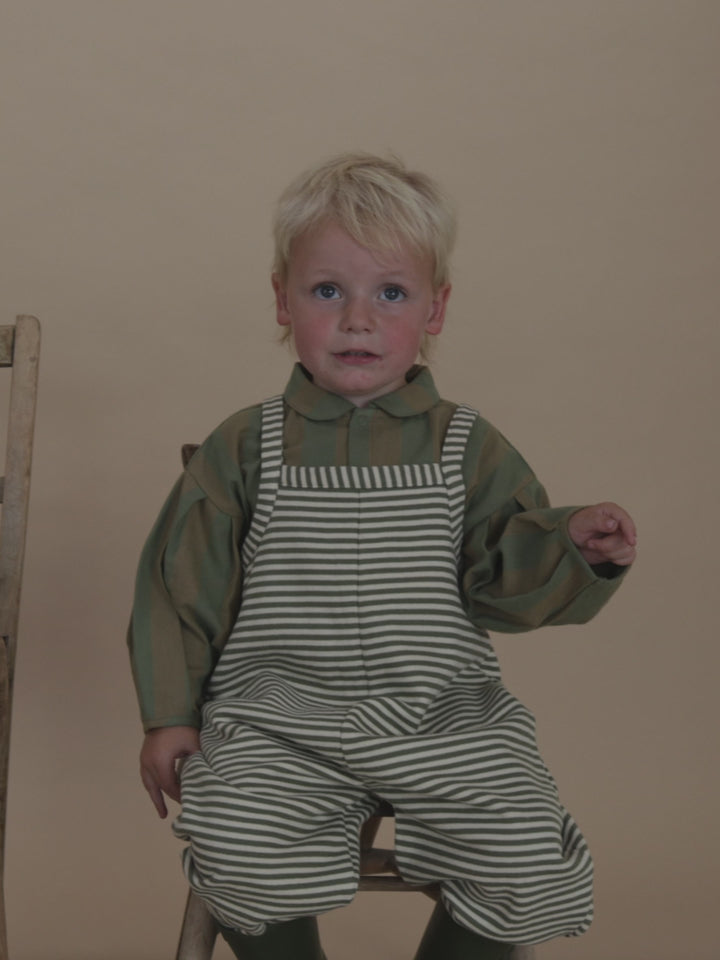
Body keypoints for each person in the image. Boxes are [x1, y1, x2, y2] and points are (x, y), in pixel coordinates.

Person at [128, 153, 637, 960]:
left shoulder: (469, 446)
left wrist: (570, 546)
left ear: (435, 309)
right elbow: (177, 587)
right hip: (279, 719)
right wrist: (169, 716)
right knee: (231, 830)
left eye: (390, 293)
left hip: (442, 713)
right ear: (281, 298)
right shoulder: (244, 447)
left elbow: (501, 585)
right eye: (328, 291)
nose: (357, 319)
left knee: (525, 843)